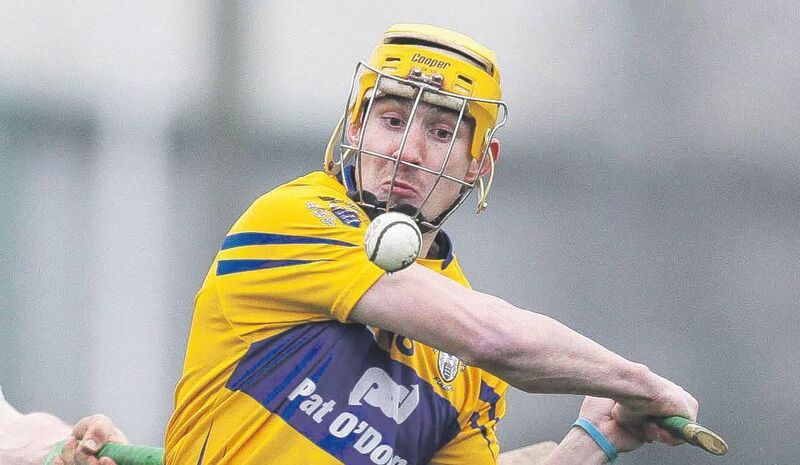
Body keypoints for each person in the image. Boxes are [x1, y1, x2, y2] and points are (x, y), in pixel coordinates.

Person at [59, 23, 699, 465]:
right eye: (392, 121)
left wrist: (596, 435)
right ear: (355, 126)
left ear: (480, 163)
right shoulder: (294, 220)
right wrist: (639, 383)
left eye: (442, 133)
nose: (408, 152)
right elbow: (493, 338)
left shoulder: (468, 368)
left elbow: (487, 343)